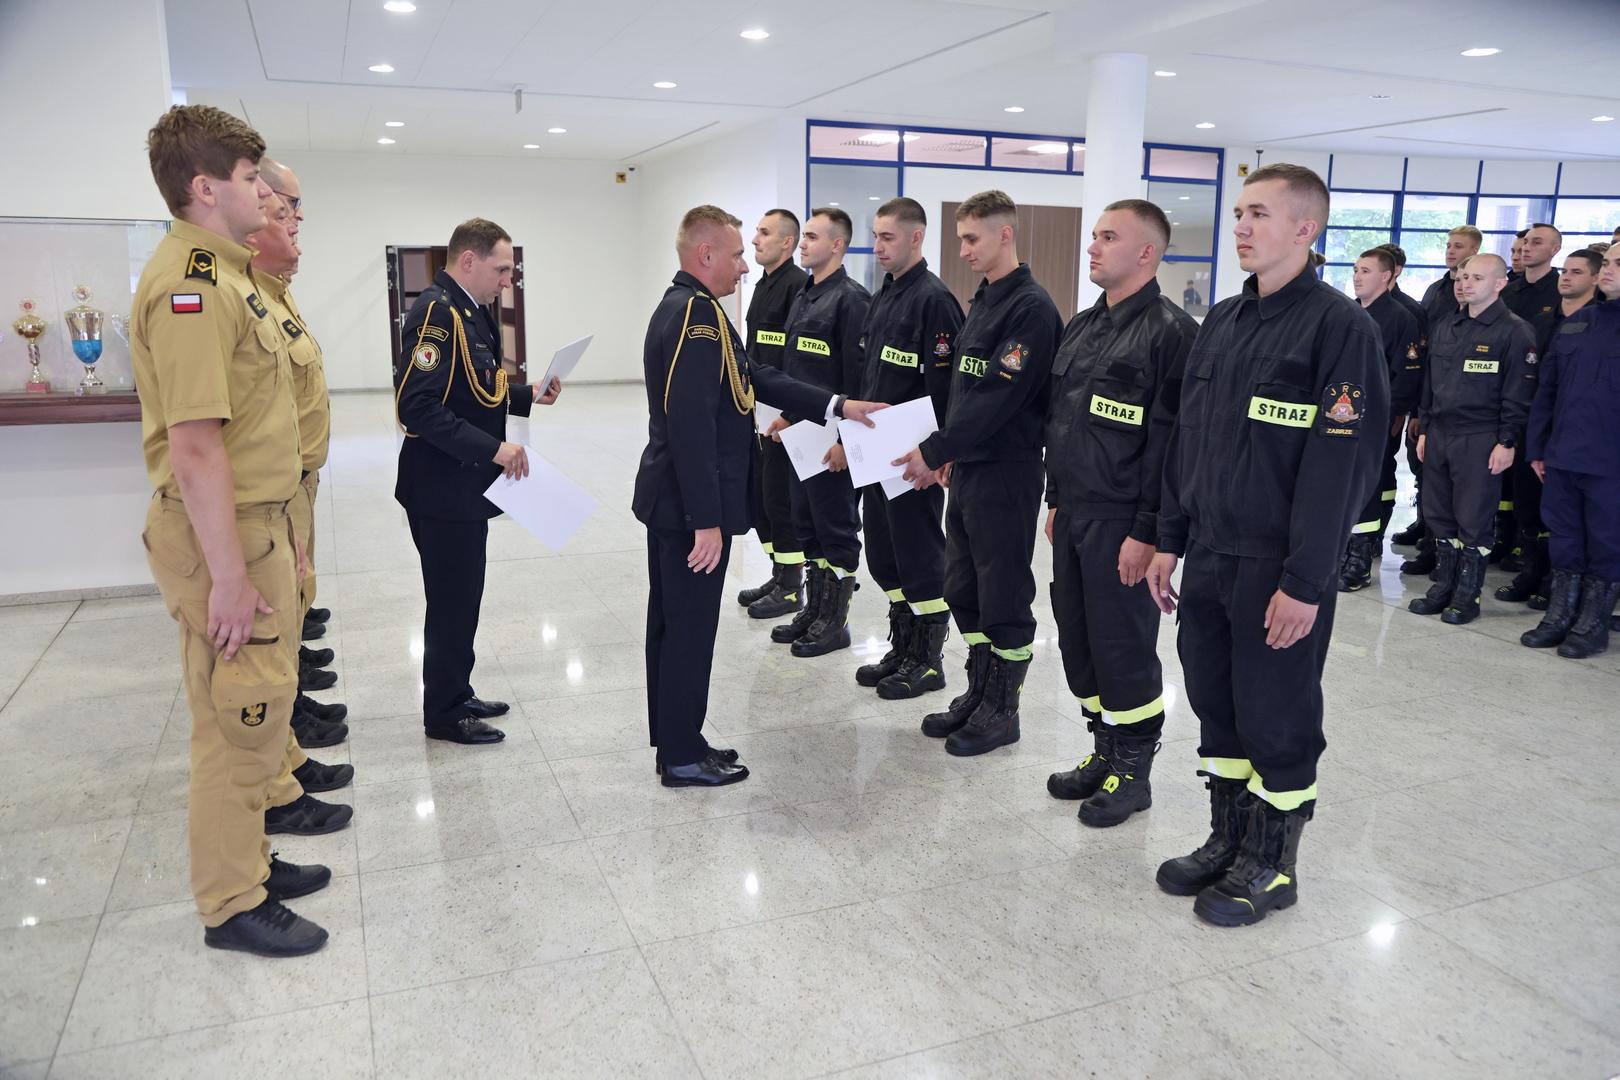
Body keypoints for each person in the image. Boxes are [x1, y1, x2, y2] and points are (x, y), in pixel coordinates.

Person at [1145, 163, 1387, 927]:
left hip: (1276, 565)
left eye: (1259, 214)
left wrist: (1306, 582)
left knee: (1277, 715)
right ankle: (1230, 840)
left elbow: (1341, 467)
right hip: (1211, 552)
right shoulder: (1222, 321)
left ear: (1305, 229)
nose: (1242, 227)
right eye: (1240, 213)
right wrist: (1168, 539)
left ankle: (1274, 865)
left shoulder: (1340, 329)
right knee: (1216, 704)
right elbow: (1188, 440)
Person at [132, 105, 329, 956]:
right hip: (227, 535)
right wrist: (230, 578)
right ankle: (231, 902)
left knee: (254, 709)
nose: (266, 192)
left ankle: (250, 860)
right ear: (205, 188)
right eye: (251, 179)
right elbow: (196, 446)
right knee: (234, 722)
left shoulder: (231, 275)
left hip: (259, 524)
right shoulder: (192, 289)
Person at [632, 205, 887, 786]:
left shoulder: (692, 308)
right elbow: (691, 426)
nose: (745, 266)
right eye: (735, 255)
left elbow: (753, 375)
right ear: (705, 255)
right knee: (687, 630)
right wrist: (705, 519)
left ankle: (678, 740)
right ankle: (682, 755)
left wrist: (837, 405)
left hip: (674, 501)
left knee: (676, 625)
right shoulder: (696, 318)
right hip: (688, 508)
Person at [1042, 199, 1196, 826]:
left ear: (1147, 252)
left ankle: (1133, 773)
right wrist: (1055, 497)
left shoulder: (1172, 333)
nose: (1093, 247)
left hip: (1123, 522)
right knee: (1080, 642)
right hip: (1075, 512)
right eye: (1095, 236)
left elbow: (1172, 446)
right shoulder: (1082, 325)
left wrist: (1148, 531)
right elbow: (1062, 420)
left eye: (1109, 237)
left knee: (1122, 645)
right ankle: (1105, 752)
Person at [894, 190, 1063, 757]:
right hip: (969, 468)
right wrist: (950, 452)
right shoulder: (985, 300)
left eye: (972, 238)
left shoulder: (1031, 309)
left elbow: (996, 396)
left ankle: (1003, 711)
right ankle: (978, 692)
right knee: (963, 586)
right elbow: (962, 390)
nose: (963, 250)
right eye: (960, 239)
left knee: (1003, 592)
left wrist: (935, 448)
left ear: (1005, 234)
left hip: (1007, 472)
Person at [394, 218, 562, 745]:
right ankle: (444, 712)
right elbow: (417, 406)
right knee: (451, 600)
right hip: (441, 487)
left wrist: (528, 394)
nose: (508, 281)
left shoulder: (469, 310)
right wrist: (493, 448)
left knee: (465, 595)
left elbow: (477, 385)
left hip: (464, 487)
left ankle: (457, 690)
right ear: (468, 261)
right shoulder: (437, 314)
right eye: (501, 269)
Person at [244, 184, 355, 838]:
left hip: (290, 488)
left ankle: (289, 740)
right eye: (282, 209)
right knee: (258, 659)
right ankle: (276, 782)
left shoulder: (271, 293)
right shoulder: (221, 294)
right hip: (259, 505)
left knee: (286, 629)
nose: (297, 220)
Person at [852, 197, 963, 698]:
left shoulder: (934, 300)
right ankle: (904, 646)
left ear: (916, 237)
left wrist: (936, 455)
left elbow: (946, 388)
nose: (878, 246)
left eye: (888, 237)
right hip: (877, 454)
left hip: (912, 458)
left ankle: (928, 659)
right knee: (884, 555)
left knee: (919, 556)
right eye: (875, 236)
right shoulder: (885, 295)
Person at [1410, 254, 1537, 625]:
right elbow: (1430, 383)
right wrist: (1426, 428)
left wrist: (1507, 441)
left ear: (1499, 284)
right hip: (1440, 433)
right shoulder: (1446, 325)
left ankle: (1467, 596)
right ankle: (1443, 587)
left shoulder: (1515, 332)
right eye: (1462, 277)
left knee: (1473, 518)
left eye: (1476, 278)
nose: (1465, 284)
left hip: (1481, 436)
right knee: (1439, 514)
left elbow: (1519, 394)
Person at [767, 208, 872, 657]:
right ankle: (815, 610)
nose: (803, 244)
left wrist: (847, 442)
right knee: (806, 524)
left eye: (812, 237)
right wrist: (788, 414)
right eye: (804, 236)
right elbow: (799, 370)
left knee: (836, 529)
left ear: (837, 245)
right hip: (803, 436)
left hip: (832, 439)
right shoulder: (805, 295)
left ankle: (836, 622)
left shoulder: (852, 300)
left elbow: (858, 379)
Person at [1524, 245, 1620, 657]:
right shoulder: (1578, 323)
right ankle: (1560, 615)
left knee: (1607, 541)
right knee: (1564, 536)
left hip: (1610, 462)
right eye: (1608, 263)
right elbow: (1547, 390)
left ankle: (1592, 623)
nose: (1608, 270)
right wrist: (1537, 448)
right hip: (1563, 455)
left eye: (1618, 265)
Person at [1498, 248, 1602, 608]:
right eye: (1566, 271)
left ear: (1595, 278)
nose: (1566, 277)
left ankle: (1556, 584)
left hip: (1578, 435)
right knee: (1529, 506)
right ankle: (1532, 571)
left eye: (1576, 272)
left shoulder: (1599, 324)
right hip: (1536, 428)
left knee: (1567, 517)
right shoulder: (1541, 323)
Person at [736, 209, 810, 619]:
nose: (755, 240)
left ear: (787, 242)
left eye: (764, 233)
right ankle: (780, 572)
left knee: (781, 500)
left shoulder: (797, 287)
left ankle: (792, 586)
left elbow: (795, 359)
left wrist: (789, 412)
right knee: (764, 499)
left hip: (783, 415)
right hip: (760, 411)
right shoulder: (764, 285)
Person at [1338, 248, 1423, 591]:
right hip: (1340, 413)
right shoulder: (1346, 312)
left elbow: (1407, 373)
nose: (1357, 276)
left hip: (1376, 415)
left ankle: (1360, 560)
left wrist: (1395, 413)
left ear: (1386, 276)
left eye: (1366, 271)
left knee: (1369, 486)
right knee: (1341, 484)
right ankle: (1342, 549)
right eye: (1356, 269)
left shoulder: (1401, 318)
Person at [1402, 226, 1483, 569]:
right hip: (1431, 403)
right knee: (1425, 475)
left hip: (1470, 420)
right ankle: (1427, 533)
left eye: (1459, 246)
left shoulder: (1490, 316)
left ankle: (1446, 556)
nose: (1451, 250)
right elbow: (1427, 359)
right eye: (1449, 245)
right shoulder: (1436, 291)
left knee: (1460, 494)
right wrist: (1419, 412)